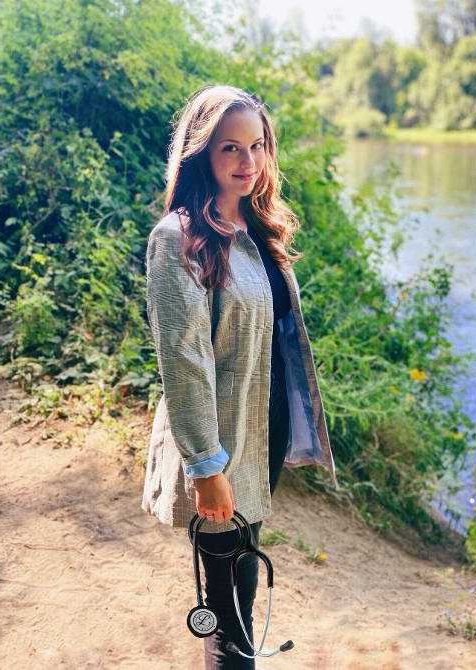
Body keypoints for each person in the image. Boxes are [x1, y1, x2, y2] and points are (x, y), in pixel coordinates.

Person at [140, 84, 339, 669]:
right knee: (228, 615)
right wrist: (206, 468)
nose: (248, 163)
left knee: (243, 581)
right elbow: (183, 361)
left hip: (261, 434)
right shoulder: (178, 240)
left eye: (257, 146)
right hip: (219, 443)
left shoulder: (256, 229)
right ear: (200, 153)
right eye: (230, 148)